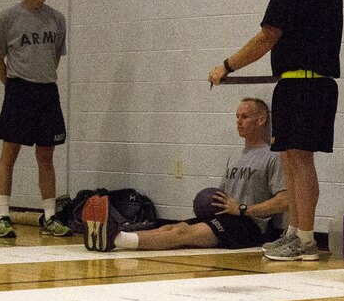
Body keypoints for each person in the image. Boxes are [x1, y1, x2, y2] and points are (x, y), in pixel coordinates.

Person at [208, 0, 343, 262]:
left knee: (300, 159)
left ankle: (307, 239)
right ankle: (295, 233)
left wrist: (227, 65)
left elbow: (266, 38)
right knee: (290, 158)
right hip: (305, 83)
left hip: (303, 84)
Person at [86, 98, 288, 252]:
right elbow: (222, 197)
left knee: (182, 234)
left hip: (251, 227)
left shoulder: (273, 156)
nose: (239, 122)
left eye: (245, 117)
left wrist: (243, 209)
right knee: (176, 226)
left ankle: (113, 239)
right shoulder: (236, 156)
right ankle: (115, 236)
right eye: (237, 116)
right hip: (230, 219)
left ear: (261, 120)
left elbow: (284, 201)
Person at [0, 0, 71, 239]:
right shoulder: (8, 18)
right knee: (9, 153)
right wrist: (12, 86)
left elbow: (53, 59)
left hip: (47, 91)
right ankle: (3, 216)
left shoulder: (58, 19)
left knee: (46, 155)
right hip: (18, 90)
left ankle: (50, 217)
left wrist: (40, 81)